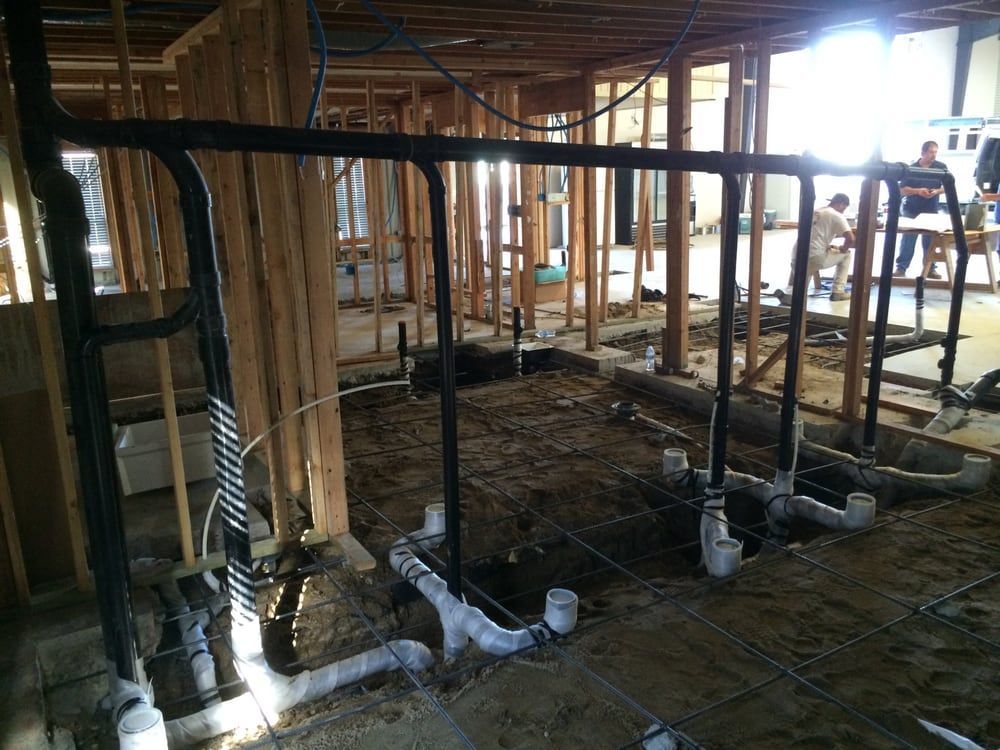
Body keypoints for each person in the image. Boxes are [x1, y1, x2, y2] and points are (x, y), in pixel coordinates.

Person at [776, 193, 855, 303]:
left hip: (796, 255)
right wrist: (843, 249)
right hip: (814, 257)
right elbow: (850, 238)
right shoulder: (837, 215)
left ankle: (791, 294)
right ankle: (838, 292)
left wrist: (826, 245)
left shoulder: (816, 211)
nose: (843, 211)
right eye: (844, 208)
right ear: (841, 204)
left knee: (799, 289)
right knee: (846, 255)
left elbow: (815, 234)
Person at [894, 140, 947, 279]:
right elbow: (902, 190)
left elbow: (948, 186)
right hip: (912, 209)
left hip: (931, 209)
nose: (933, 155)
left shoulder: (941, 167)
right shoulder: (911, 169)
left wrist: (936, 191)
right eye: (931, 152)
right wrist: (918, 191)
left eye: (935, 152)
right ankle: (901, 268)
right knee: (908, 239)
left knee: (930, 241)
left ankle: (930, 268)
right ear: (923, 152)